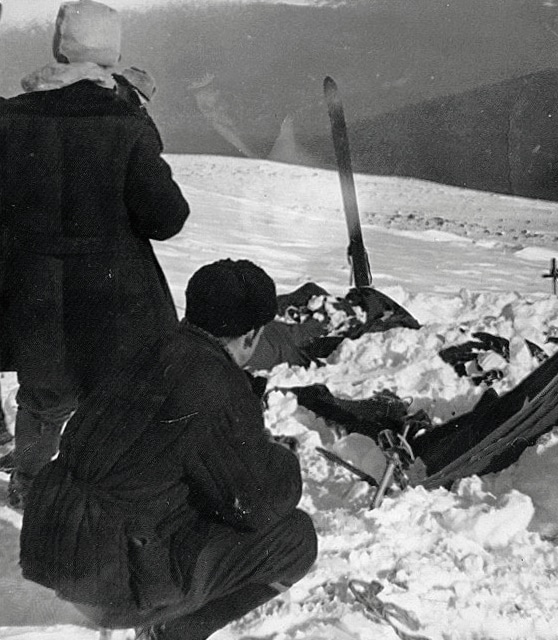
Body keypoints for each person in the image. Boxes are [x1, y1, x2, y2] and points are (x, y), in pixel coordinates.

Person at [19, 259, 318, 640]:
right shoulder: (215, 383)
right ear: (251, 336)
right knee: (295, 539)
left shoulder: (145, 348)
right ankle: (174, 632)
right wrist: (282, 458)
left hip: (51, 547)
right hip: (109, 585)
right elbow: (257, 505)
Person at [0, 0, 190, 508]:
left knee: (42, 397)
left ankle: (31, 488)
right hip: (114, 293)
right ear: (114, 53)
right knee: (115, 398)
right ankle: (106, 494)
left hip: (33, 290)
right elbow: (167, 219)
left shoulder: (8, 118)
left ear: (57, 47)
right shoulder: (125, 120)